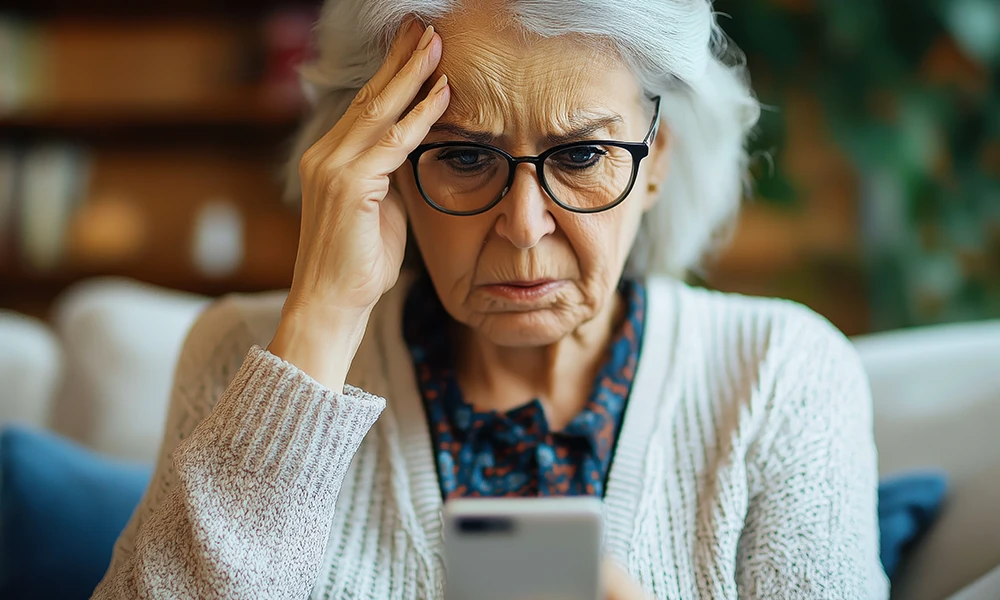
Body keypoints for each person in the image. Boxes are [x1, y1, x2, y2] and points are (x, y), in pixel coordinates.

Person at [93, 0, 889, 598]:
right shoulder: (241, 355)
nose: (522, 227)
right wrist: (321, 325)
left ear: (655, 161)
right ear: (387, 163)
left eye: (581, 154)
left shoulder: (781, 371)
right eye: (465, 158)